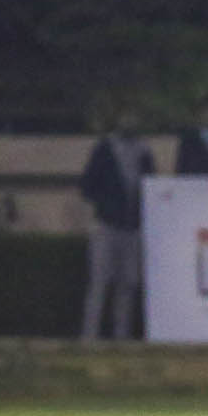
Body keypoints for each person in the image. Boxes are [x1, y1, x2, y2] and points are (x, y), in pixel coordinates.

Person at [79, 107, 156, 341]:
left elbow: (152, 187)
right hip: (106, 225)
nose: (130, 120)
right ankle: (90, 336)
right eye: (126, 116)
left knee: (128, 285)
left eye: (133, 116)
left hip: (133, 227)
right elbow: (87, 185)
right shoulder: (104, 149)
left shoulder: (144, 152)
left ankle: (121, 338)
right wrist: (106, 205)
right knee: (100, 283)